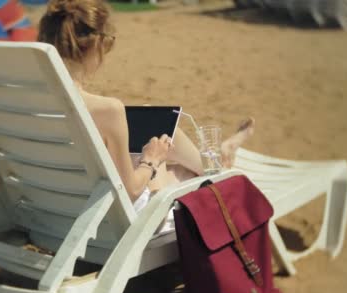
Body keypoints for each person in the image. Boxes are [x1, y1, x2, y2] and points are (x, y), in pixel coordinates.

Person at [37, 0, 254, 211]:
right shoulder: (107, 110)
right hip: (118, 220)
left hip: (52, 207)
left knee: (160, 142)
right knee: (176, 164)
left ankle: (217, 157)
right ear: (95, 46)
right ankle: (221, 159)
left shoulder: (27, 103)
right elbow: (132, 191)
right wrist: (151, 159)